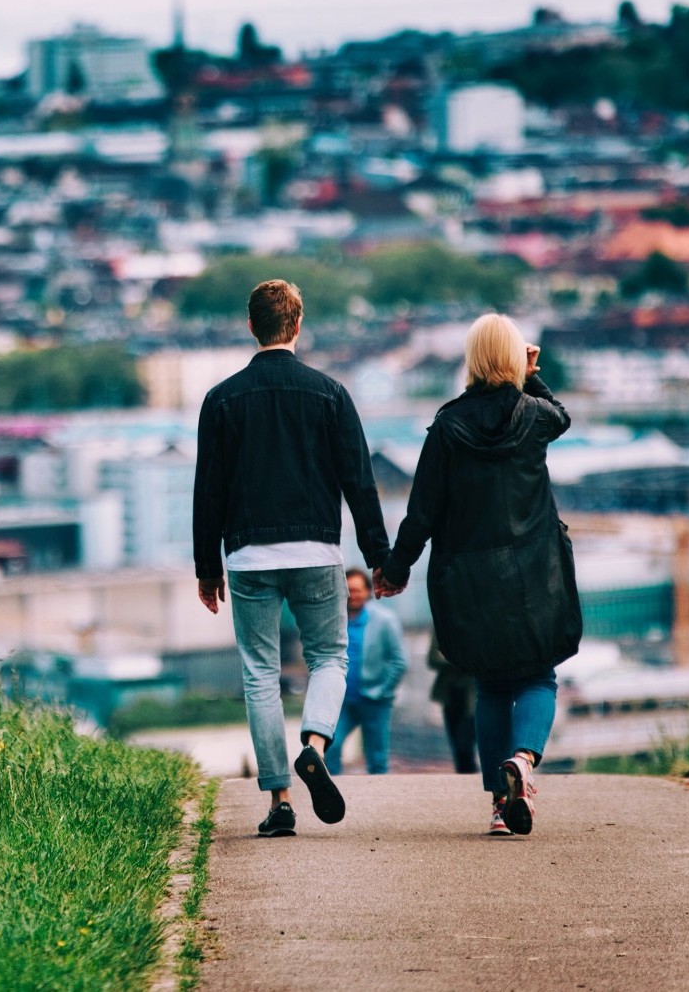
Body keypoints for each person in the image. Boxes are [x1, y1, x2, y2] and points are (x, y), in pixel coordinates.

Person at [193, 279, 392, 838]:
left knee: (260, 674)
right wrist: (379, 557)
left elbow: (207, 491)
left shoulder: (221, 399)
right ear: (298, 326)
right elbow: (360, 482)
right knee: (329, 657)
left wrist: (207, 568)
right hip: (316, 551)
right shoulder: (330, 393)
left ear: (251, 326)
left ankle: (280, 800)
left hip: (249, 555)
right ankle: (315, 744)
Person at [374, 313, 579, 838]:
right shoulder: (534, 417)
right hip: (535, 571)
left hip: (471, 578)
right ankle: (524, 761)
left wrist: (396, 570)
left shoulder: (447, 426)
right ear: (513, 357)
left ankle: (497, 806)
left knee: (490, 686)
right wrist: (530, 373)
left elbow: (422, 510)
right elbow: (562, 415)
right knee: (538, 674)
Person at [327, 568, 408, 776]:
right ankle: (332, 794)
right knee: (331, 747)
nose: (352, 595)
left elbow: (399, 661)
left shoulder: (385, 620)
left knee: (377, 758)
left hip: (375, 700)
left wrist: (382, 691)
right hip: (342, 701)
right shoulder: (334, 620)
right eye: (348, 590)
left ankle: (378, 801)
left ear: (367, 591)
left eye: (357, 590)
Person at [427, 641, 479, 776]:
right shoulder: (442, 621)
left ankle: (471, 778)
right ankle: (464, 781)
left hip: (473, 695)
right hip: (450, 694)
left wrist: (452, 658)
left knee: (464, 745)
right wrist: (463, 660)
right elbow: (433, 658)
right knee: (457, 747)